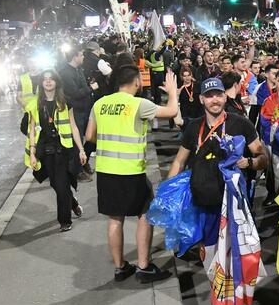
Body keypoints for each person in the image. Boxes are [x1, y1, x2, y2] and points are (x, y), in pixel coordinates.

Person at [167, 76, 268, 305]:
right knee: (211, 259)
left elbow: (263, 157)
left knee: (238, 262)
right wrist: (166, 199)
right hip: (205, 207)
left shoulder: (240, 123)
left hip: (234, 208)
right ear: (201, 99)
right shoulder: (193, 128)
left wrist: (250, 162)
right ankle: (218, 302)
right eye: (209, 95)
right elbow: (179, 162)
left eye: (219, 95)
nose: (215, 99)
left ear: (225, 97)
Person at [85, 64, 178, 283]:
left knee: (115, 219)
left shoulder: (100, 104)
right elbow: (171, 112)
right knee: (145, 214)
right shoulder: (138, 104)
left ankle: (120, 267)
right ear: (136, 81)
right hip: (130, 171)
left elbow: (90, 135)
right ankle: (144, 266)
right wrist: (173, 93)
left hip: (106, 170)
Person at [25, 69, 87, 232]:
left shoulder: (65, 102)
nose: (48, 81)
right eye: (45, 79)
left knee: (60, 185)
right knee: (57, 184)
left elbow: (73, 126)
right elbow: (31, 130)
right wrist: (32, 153)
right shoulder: (35, 104)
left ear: (56, 82)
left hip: (64, 150)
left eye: (51, 79)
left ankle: (64, 221)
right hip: (45, 151)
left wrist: (81, 149)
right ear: (41, 83)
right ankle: (72, 203)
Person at [57, 45, 94, 179]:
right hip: (76, 110)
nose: (83, 57)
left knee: (90, 137)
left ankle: (84, 162)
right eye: (81, 55)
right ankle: (77, 171)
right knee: (76, 142)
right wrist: (91, 88)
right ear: (75, 57)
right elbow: (75, 93)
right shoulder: (66, 73)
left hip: (85, 109)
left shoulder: (78, 69)